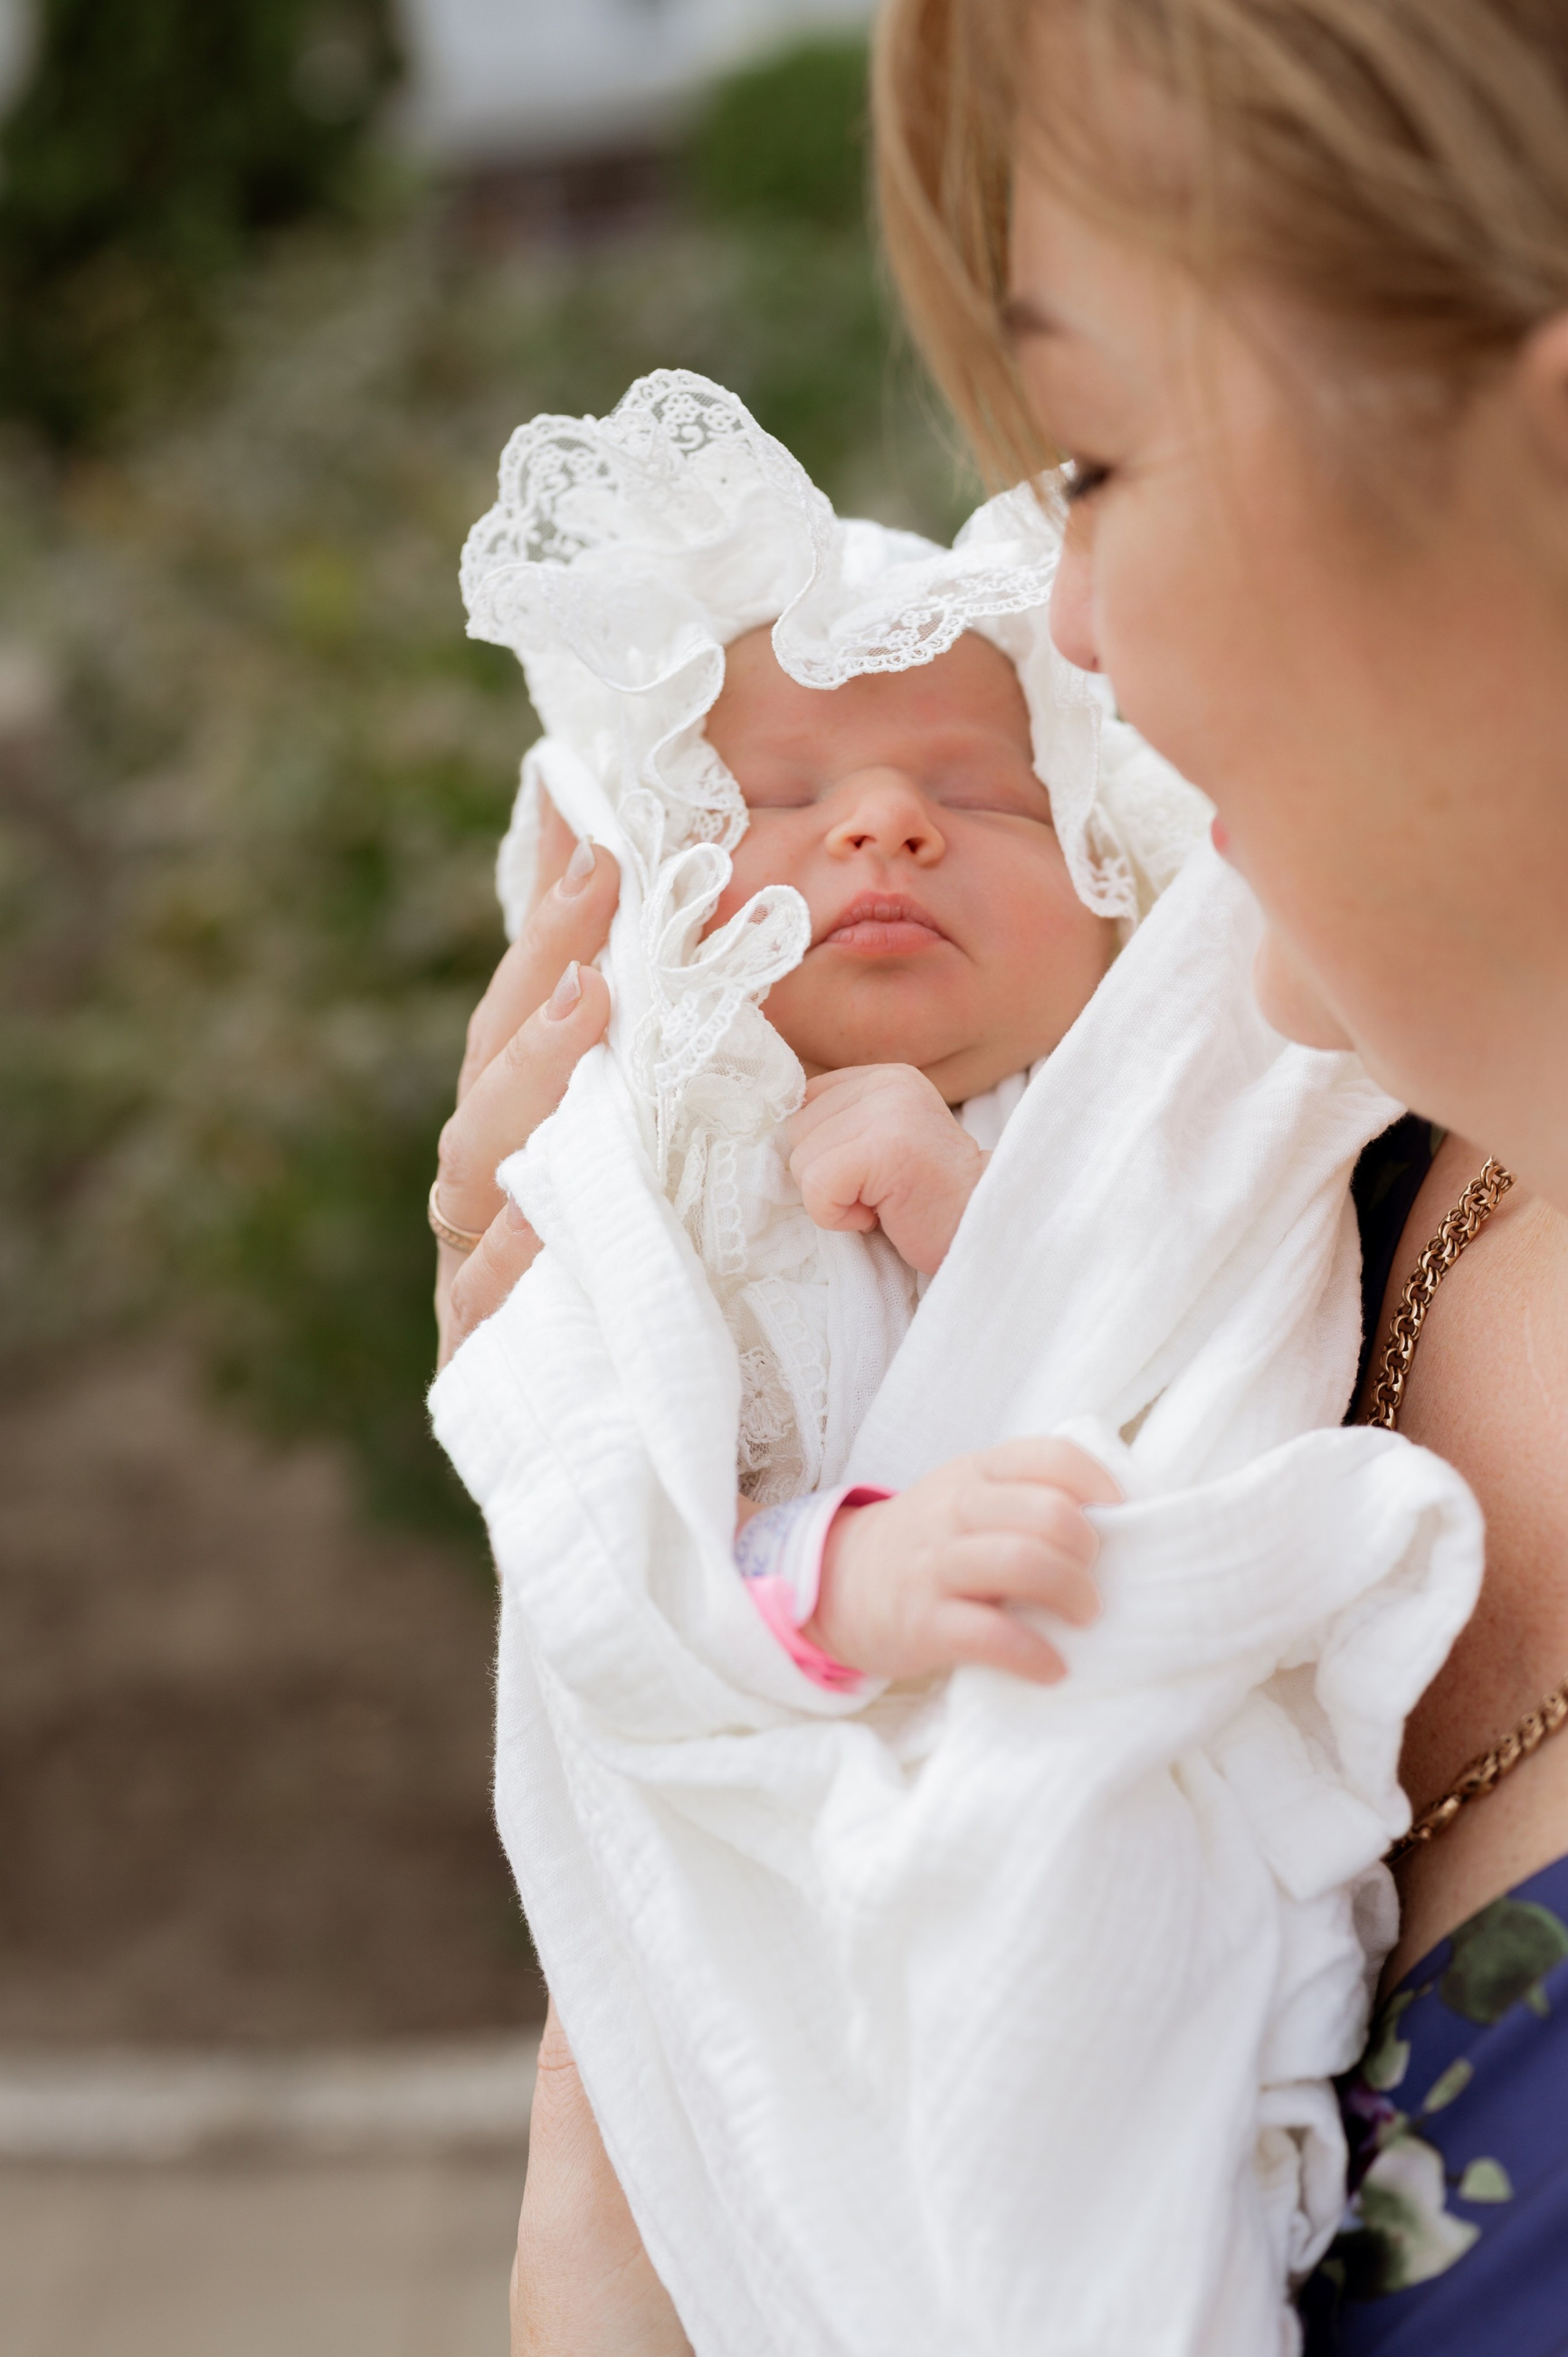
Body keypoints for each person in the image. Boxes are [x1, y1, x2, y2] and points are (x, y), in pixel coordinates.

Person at [434, 1, 1568, 2347]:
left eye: (1101, 462)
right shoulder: (1317, 1140)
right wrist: (622, 1444)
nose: (1066, 622)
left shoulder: (1228, 1152)